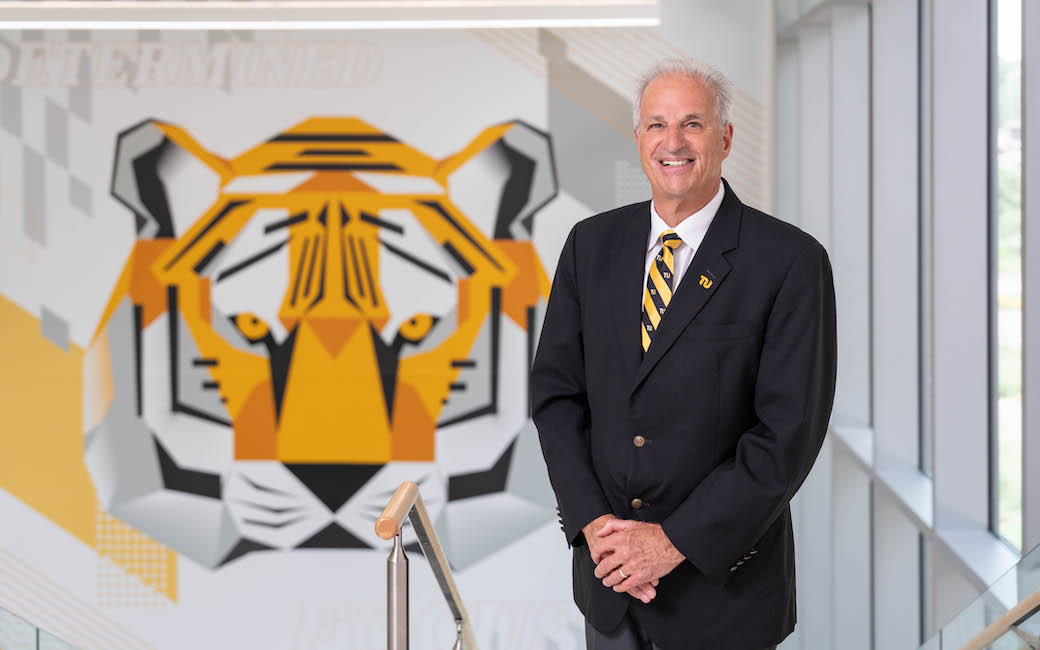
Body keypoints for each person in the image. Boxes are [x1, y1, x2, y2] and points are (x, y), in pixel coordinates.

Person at [530, 58, 837, 650]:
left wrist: (670, 544)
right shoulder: (590, 246)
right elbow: (557, 396)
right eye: (656, 125)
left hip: (724, 597)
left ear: (723, 139)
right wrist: (594, 525)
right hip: (612, 585)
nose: (673, 143)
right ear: (638, 137)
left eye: (692, 124)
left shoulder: (790, 262)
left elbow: (785, 437)